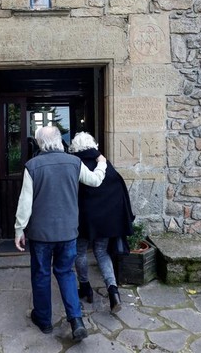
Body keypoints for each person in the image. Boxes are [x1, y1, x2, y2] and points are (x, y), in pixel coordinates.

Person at [14, 125, 107, 342]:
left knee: (41, 275)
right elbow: (95, 180)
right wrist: (102, 164)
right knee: (66, 273)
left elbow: (25, 202)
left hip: (41, 234)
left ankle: (44, 320)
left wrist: (19, 229)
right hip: (67, 232)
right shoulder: (74, 162)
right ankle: (76, 320)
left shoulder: (32, 166)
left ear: (40, 143)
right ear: (59, 140)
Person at [68, 132, 134, 314]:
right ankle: (113, 291)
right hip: (105, 220)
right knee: (101, 252)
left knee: (79, 252)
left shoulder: (74, 164)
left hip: (82, 220)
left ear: (75, 147)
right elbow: (119, 189)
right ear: (93, 145)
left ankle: (85, 287)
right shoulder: (104, 163)